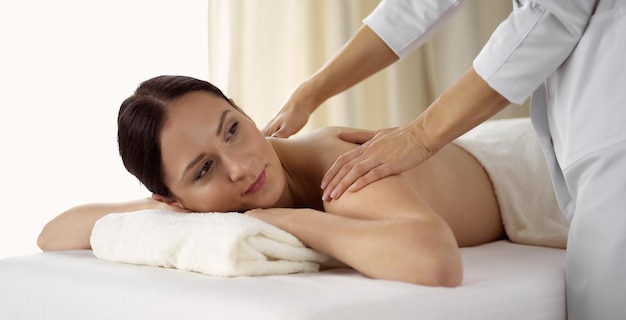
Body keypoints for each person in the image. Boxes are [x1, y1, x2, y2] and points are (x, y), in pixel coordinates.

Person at [262, 0, 626, 319]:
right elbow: (416, 5)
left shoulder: (339, 169)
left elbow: (553, 13)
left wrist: (420, 135)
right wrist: (308, 94)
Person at [37, 75, 566, 287]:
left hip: (536, 168)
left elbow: (437, 261)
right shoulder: (186, 203)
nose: (241, 166)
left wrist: (293, 219)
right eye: (203, 170)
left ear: (245, 112)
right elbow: (53, 234)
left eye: (233, 130)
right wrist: (169, 208)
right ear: (170, 199)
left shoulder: (336, 164)